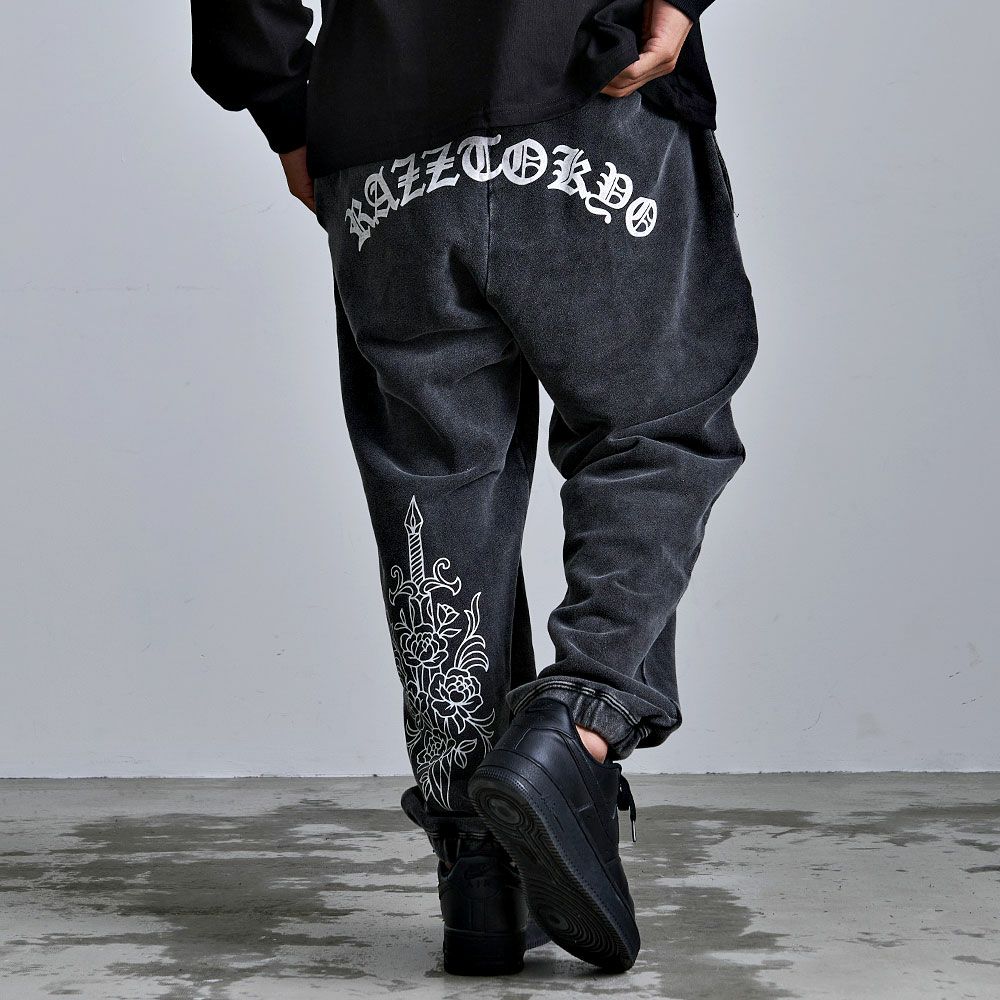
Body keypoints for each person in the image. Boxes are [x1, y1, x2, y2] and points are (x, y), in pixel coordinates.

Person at [190, 0, 757, 977]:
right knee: (655, 426)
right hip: (590, 98)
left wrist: (285, 104)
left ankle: (478, 876)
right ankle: (577, 727)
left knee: (435, 489)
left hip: (382, 146)